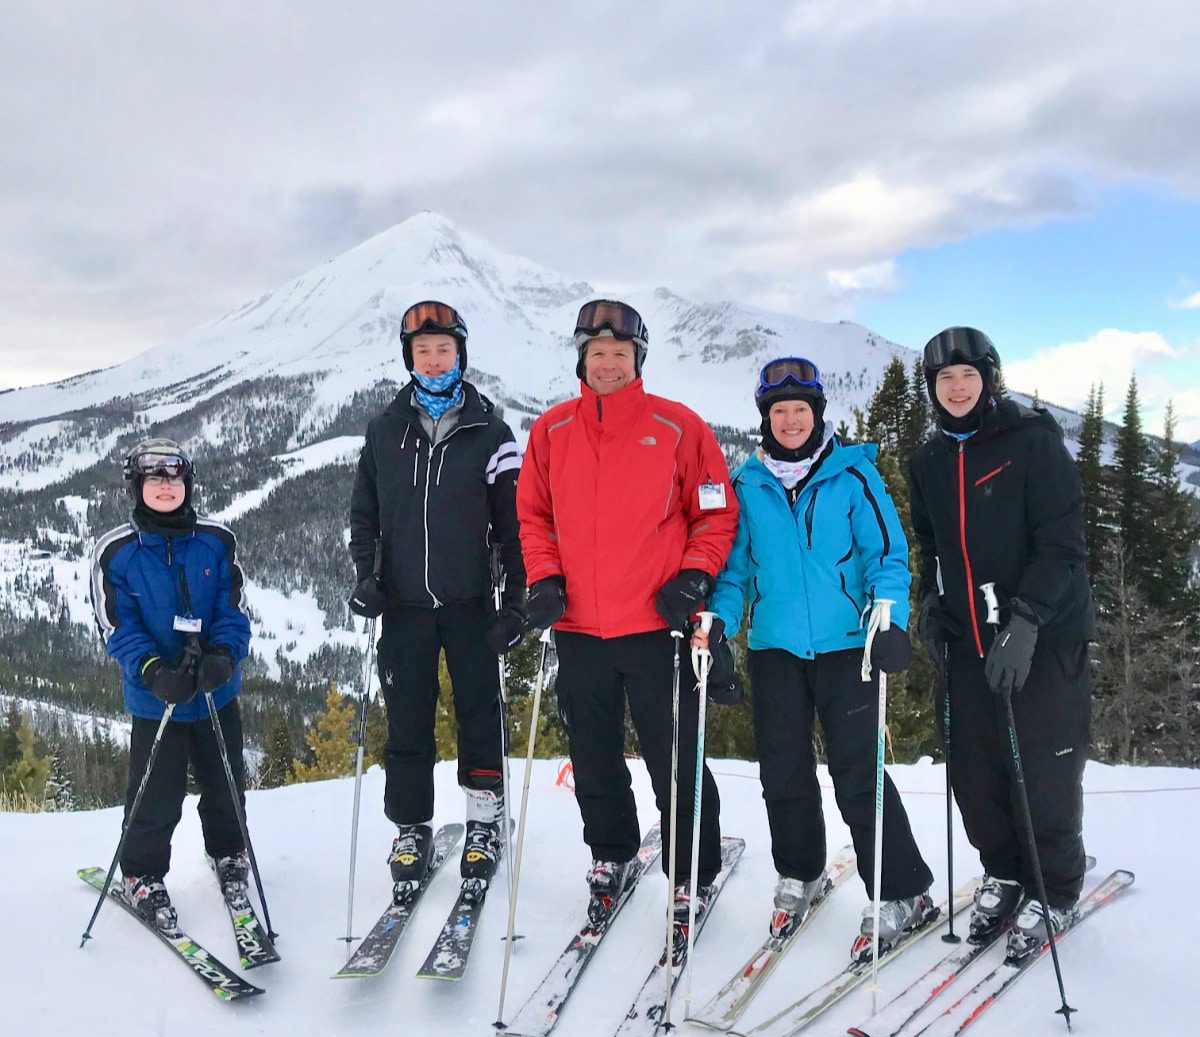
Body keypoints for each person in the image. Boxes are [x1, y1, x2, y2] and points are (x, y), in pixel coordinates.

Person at [517, 298, 738, 949]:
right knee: (593, 753)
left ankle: (691, 872)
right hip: (580, 626)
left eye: (619, 353)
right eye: (597, 353)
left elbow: (715, 510)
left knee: (676, 756)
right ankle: (611, 852)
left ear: (636, 358)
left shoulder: (678, 426)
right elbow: (532, 515)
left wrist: (695, 575)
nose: (608, 363)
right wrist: (544, 578)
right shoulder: (552, 430)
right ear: (581, 358)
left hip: (657, 623)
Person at [695, 358, 934, 958]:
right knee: (782, 772)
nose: (792, 420)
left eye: (801, 409)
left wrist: (889, 621)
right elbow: (737, 568)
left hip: (848, 649)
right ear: (766, 419)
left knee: (858, 774)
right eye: (780, 411)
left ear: (818, 414)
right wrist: (719, 621)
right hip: (775, 648)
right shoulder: (750, 485)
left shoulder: (853, 477)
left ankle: (904, 890)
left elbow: (888, 557)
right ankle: (799, 870)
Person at [908, 326, 1094, 959]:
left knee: (1042, 770)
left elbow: (1063, 545)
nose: (956, 389)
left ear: (989, 378)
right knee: (975, 771)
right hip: (967, 642)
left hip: (1041, 639)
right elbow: (932, 547)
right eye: (944, 380)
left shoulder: (1032, 444)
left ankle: (1056, 886)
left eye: (968, 376)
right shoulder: (929, 460)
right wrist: (933, 608)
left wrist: (1027, 621)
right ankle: (1007, 870)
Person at [348, 300, 524, 902]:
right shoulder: (383, 430)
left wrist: (516, 601)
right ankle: (411, 828)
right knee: (408, 721)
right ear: (409, 358)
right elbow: (365, 515)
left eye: (444, 349)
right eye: (423, 351)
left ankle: (482, 820)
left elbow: (513, 524)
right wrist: (367, 575)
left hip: (471, 601)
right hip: (405, 606)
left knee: (479, 712)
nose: (433, 359)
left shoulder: (491, 433)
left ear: (461, 354)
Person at [89, 438, 254, 931]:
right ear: (138, 487)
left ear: (187, 483)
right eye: (154, 479)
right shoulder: (117, 551)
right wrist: (152, 671)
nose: (166, 486)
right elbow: (116, 625)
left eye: (174, 477)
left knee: (225, 784)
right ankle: (141, 873)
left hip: (213, 690)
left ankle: (230, 853)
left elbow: (234, 608)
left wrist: (224, 657)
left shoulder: (216, 540)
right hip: (155, 697)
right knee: (155, 791)